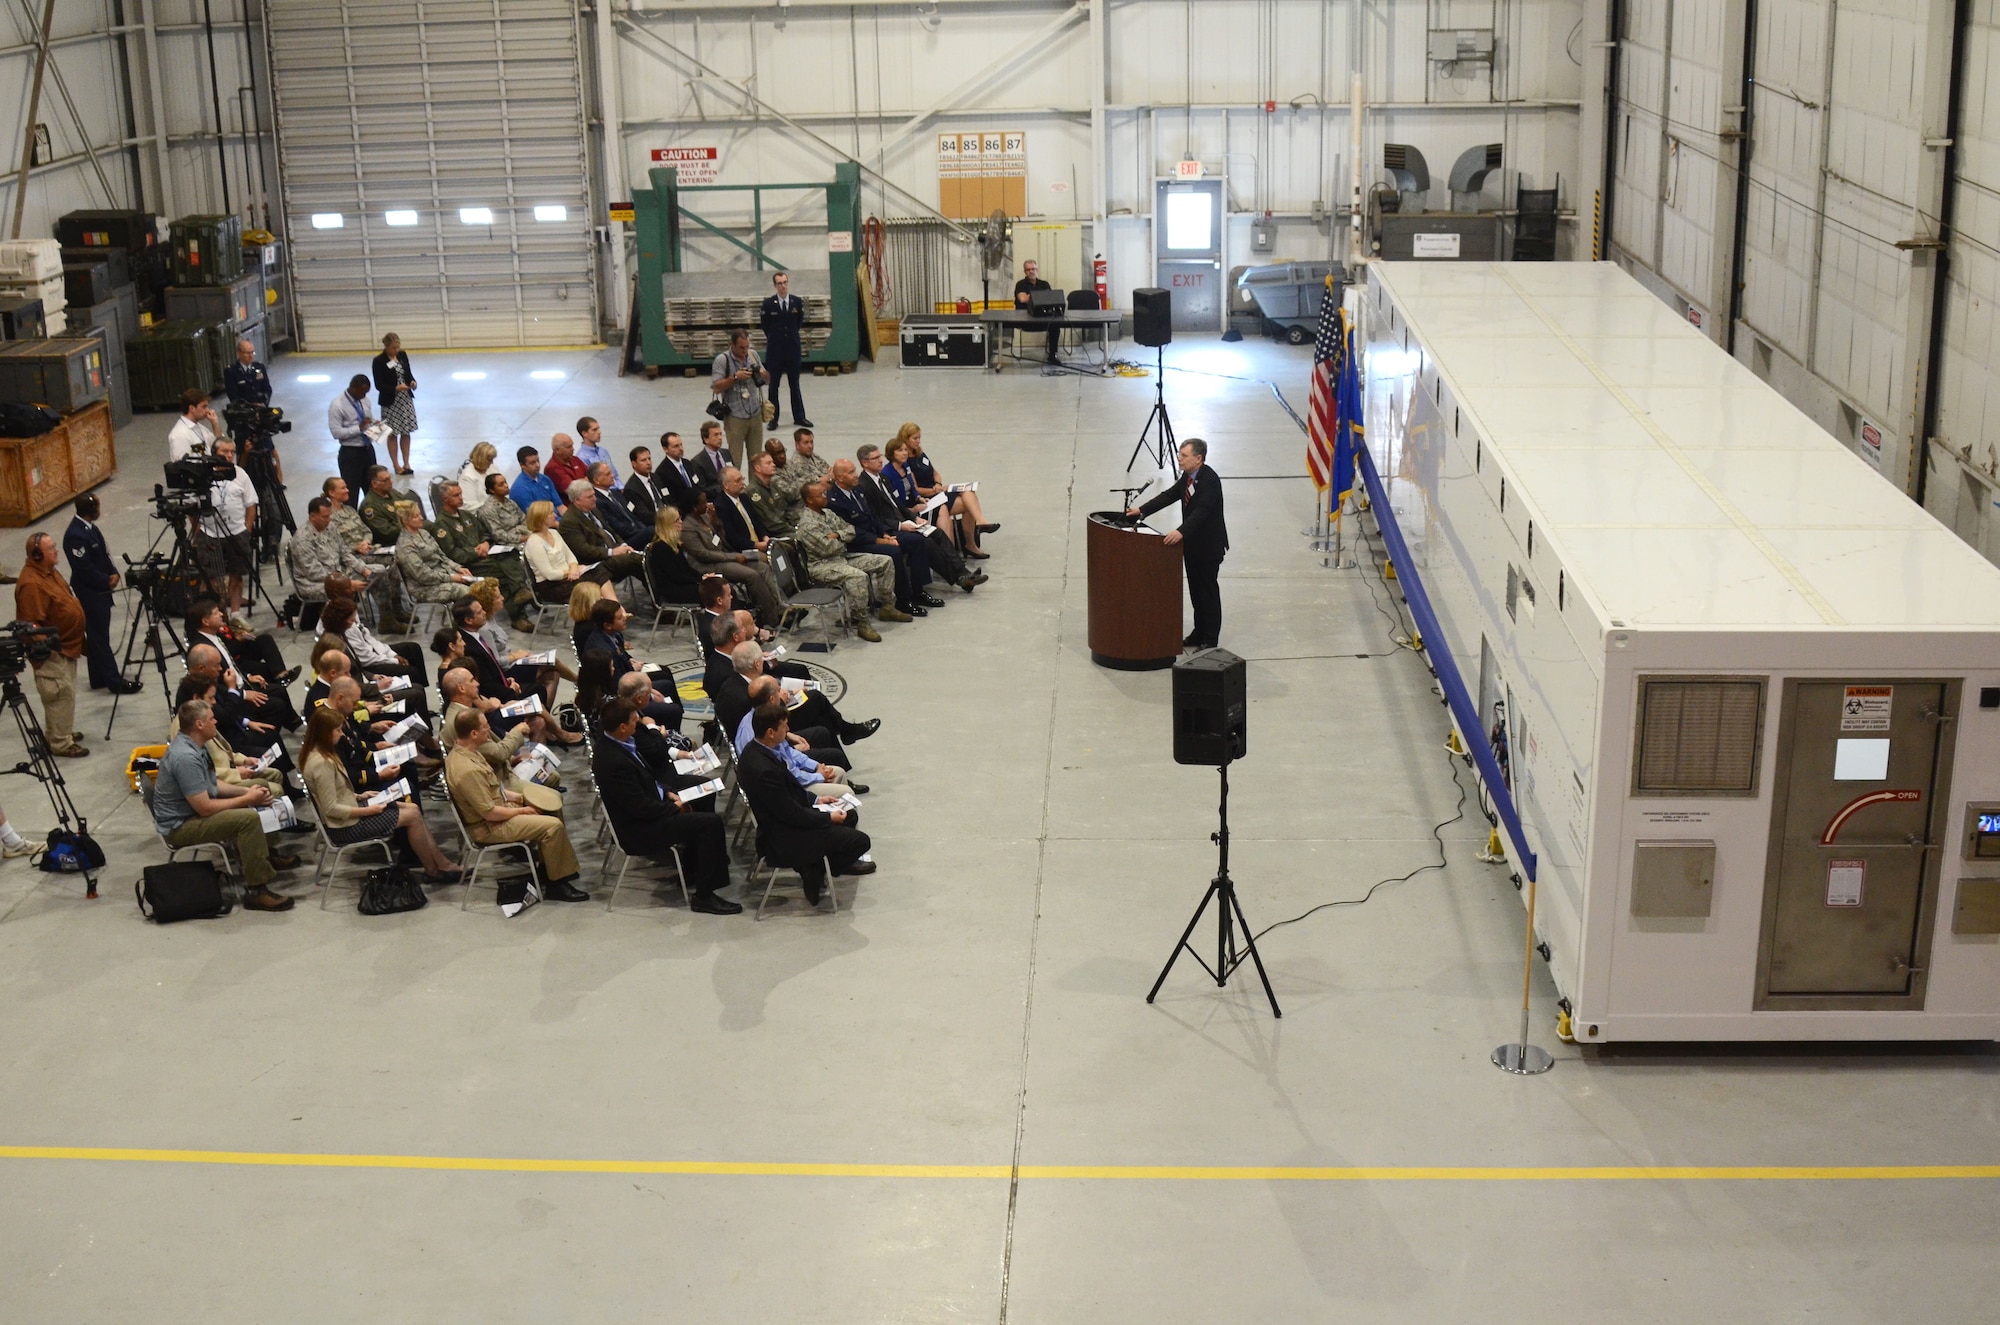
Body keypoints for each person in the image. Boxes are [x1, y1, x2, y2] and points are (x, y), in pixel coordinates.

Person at [150, 699, 301, 910]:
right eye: (211, 719)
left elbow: (214, 785)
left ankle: (265, 855)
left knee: (258, 785)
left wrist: (248, 791)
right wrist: (246, 799)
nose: (216, 721)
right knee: (247, 819)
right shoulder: (185, 757)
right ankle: (256, 890)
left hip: (193, 813)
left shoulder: (196, 746)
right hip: (181, 826)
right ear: (199, 725)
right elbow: (204, 807)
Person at [594, 697, 739, 913]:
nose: (639, 724)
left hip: (651, 808)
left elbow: (646, 778)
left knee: (701, 803)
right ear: (623, 727)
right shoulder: (612, 761)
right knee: (711, 823)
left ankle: (694, 869)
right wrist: (674, 807)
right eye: (635, 721)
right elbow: (638, 807)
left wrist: (668, 793)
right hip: (639, 829)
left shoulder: (619, 742)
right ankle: (704, 895)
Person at [446, 709, 589, 906]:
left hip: (498, 809)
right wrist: (522, 810)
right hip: (489, 827)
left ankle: (552, 868)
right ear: (474, 734)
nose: (489, 729)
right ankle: (557, 884)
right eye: (485, 726)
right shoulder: (467, 770)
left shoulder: (468, 752)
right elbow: (489, 812)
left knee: (550, 803)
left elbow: (493, 789)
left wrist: (522, 798)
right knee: (552, 826)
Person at [737, 701, 873, 906]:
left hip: (790, 818)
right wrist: (827, 817)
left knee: (850, 814)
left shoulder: (759, 750)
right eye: (784, 726)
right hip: (785, 837)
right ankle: (814, 869)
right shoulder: (763, 769)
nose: (789, 730)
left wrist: (817, 799)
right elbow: (792, 814)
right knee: (861, 841)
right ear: (771, 732)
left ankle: (815, 864)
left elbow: (788, 792)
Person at [301, 706, 459, 882]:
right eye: (337, 730)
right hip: (345, 826)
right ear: (324, 733)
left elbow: (335, 793)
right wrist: (368, 811)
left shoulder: (323, 753)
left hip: (352, 808)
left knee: (413, 808)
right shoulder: (321, 764)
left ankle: (440, 864)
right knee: (412, 816)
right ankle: (434, 870)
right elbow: (331, 808)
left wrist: (361, 796)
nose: (342, 734)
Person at [1130, 437, 1230, 650]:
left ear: (1198, 458)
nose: (1179, 459)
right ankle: (1199, 632)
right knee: (1195, 591)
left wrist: (1180, 532)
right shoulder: (1188, 477)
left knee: (1207, 591)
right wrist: (1143, 510)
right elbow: (1170, 495)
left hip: (1209, 547)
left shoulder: (1210, 481)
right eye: (1179, 455)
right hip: (1193, 546)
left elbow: (1201, 512)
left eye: (1184, 456)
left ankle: (1210, 638)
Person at [857, 442, 979, 592]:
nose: (880, 460)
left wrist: (914, 518)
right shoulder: (864, 486)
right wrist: (901, 526)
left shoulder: (882, 478)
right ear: (865, 463)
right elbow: (875, 517)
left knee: (938, 533)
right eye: (875, 458)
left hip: (905, 520)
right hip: (890, 529)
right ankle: (959, 579)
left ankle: (963, 572)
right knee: (926, 542)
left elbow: (898, 505)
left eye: (880, 456)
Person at [828, 456, 934, 616]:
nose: (856, 475)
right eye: (851, 472)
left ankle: (918, 591)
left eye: (855, 470)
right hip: (855, 544)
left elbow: (873, 516)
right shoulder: (834, 500)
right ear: (840, 477)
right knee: (894, 552)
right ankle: (902, 601)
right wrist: (880, 540)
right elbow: (851, 531)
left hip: (875, 535)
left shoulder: (857, 490)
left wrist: (885, 534)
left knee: (916, 541)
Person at [14, 533, 89, 756]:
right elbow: (29, 624)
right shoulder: (31, 584)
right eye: (51, 548)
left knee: (65, 695)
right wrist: (49, 648)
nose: (56, 551)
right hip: (52, 652)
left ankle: (60, 731)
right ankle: (60, 742)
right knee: (58, 694)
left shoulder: (49, 572)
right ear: (38, 555)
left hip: (66, 645)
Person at [793, 480, 892, 641]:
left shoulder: (827, 513)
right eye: (821, 495)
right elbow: (828, 548)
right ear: (809, 500)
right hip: (823, 565)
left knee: (885, 561)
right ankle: (862, 622)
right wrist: (842, 538)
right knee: (857, 577)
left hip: (841, 558)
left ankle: (888, 606)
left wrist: (838, 535)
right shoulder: (807, 524)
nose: (826, 496)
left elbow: (850, 530)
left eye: (825, 492)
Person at [732, 673, 859, 799]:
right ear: (771, 699)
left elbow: (787, 752)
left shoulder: (768, 720)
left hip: (794, 775)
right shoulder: (755, 733)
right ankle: (831, 815)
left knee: (838, 771)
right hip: (789, 788)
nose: (782, 692)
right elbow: (788, 773)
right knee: (847, 792)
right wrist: (819, 776)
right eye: (779, 690)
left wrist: (815, 766)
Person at [432, 481, 534, 630]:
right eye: (456, 495)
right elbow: (451, 554)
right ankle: (519, 613)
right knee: (501, 575)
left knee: (510, 554)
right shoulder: (441, 524)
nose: (461, 498)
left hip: (486, 556)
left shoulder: (466, 515)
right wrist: (474, 552)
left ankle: (521, 592)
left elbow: (485, 533)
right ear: (445, 499)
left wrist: (486, 543)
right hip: (469, 565)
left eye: (461, 494)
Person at [62, 494, 138, 693]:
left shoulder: (91, 529)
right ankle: (114, 681)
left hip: (101, 591)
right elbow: (83, 568)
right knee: (99, 638)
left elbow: (103, 554)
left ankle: (98, 677)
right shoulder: (75, 535)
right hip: (90, 593)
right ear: (92, 509)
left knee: (98, 635)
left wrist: (113, 572)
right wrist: (105, 580)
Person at [680, 490, 785, 627]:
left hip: (725, 555)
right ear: (694, 507)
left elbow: (720, 538)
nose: (707, 504)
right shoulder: (688, 528)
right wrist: (734, 557)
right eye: (704, 502)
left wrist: (716, 522)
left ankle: (783, 607)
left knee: (763, 567)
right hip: (710, 565)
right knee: (751, 575)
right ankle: (771, 618)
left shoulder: (705, 517)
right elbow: (703, 555)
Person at [580, 597, 683, 726]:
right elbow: (617, 687)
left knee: (665, 679)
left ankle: (672, 721)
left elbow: (623, 655)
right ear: (607, 625)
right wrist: (649, 694)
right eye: (619, 617)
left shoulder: (615, 634)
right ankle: (665, 736)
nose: (624, 617)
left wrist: (631, 661)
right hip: (621, 697)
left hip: (628, 678)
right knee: (673, 710)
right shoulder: (603, 650)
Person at [899, 422, 997, 555]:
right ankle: (955, 552)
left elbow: (935, 473)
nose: (918, 441)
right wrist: (934, 491)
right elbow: (916, 489)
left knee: (968, 492)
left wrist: (938, 485)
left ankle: (973, 537)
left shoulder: (920, 454)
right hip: (926, 497)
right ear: (905, 439)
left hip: (936, 491)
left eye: (919, 438)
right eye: (915, 438)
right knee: (964, 504)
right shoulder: (905, 462)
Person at [192, 435, 258, 615]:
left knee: (236, 575)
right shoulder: (202, 476)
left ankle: (235, 614)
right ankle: (211, 614)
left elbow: (251, 504)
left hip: (237, 533)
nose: (229, 455)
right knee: (210, 578)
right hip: (210, 533)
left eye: (232, 452)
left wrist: (247, 529)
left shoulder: (240, 474)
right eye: (225, 452)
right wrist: (198, 532)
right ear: (214, 453)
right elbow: (192, 508)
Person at [289, 496, 373, 634]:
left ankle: (387, 618)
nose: (329, 520)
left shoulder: (330, 527)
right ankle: (347, 629)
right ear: (312, 516)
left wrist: (363, 569)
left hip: (337, 574)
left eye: (329, 516)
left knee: (377, 572)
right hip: (312, 583)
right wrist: (345, 583)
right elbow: (314, 573)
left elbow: (344, 552)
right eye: (325, 517)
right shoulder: (302, 540)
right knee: (344, 590)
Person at [558, 480, 645, 584]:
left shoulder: (594, 509)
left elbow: (611, 531)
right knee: (635, 560)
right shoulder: (569, 521)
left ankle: (659, 593)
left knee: (644, 559)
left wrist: (623, 545)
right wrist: (612, 552)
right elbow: (583, 550)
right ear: (577, 500)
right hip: (595, 563)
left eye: (594, 495)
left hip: (613, 552)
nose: (594, 499)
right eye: (589, 497)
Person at [394, 502, 477, 604]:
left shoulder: (423, 533)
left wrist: (458, 568)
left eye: (420, 514)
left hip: (443, 573)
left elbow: (442, 556)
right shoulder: (405, 546)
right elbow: (423, 576)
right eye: (416, 516)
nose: (421, 518)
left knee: (478, 585)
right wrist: (451, 578)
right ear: (405, 520)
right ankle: (467, 618)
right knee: (466, 592)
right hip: (425, 587)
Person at [759, 270, 811, 430]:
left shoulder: (796, 302)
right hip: (775, 351)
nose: (783, 286)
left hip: (793, 350)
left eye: (785, 282)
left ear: (788, 283)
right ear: (775, 285)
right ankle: (773, 419)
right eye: (779, 283)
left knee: (794, 384)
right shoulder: (768, 304)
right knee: (773, 386)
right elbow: (765, 326)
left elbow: (799, 322)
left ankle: (799, 417)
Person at [710, 329, 767, 468]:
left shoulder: (753, 355)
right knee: (735, 459)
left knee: (756, 460)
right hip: (735, 416)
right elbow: (716, 387)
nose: (745, 350)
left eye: (747, 346)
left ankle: (755, 489)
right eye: (741, 347)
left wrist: (760, 373)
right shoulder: (722, 360)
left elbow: (767, 379)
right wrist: (735, 378)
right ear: (732, 345)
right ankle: (735, 488)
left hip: (755, 414)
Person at [523, 500, 596, 602]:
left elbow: (570, 556)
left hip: (569, 576)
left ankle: (614, 610)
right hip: (551, 585)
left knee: (599, 572)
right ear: (541, 518)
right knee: (590, 583)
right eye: (551, 513)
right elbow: (550, 574)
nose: (555, 515)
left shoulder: (554, 533)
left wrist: (574, 568)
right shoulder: (534, 542)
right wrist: (571, 571)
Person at [372, 332, 418, 476]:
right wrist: (394, 389)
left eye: (398, 347)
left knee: (406, 432)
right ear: (386, 347)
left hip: (405, 400)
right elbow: (379, 385)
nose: (396, 350)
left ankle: (406, 462)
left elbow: (408, 374)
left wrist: (413, 382)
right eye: (393, 348)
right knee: (392, 434)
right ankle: (396, 465)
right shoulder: (379, 361)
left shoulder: (403, 356)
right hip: (390, 402)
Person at [328, 373, 379, 496]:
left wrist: (374, 425)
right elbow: (336, 432)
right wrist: (358, 428)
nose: (364, 396)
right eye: (362, 392)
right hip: (351, 454)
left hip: (368, 451)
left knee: (373, 491)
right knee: (350, 493)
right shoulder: (337, 405)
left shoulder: (365, 400)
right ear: (354, 388)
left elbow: (368, 420)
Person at [645, 505, 703, 609]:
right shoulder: (661, 547)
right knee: (715, 592)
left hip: (682, 584)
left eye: (680, 518)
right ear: (668, 524)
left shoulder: (675, 544)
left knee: (721, 588)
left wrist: (703, 577)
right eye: (677, 520)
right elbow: (677, 576)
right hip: (672, 591)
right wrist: (700, 580)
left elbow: (686, 569)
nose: (681, 522)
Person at [360, 464, 421, 548]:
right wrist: (410, 523)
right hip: (394, 543)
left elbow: (410, 507)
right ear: (374, 483)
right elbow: (387, 532)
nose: (391, 482)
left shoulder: (392, 492)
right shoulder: (370, 506)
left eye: (390, 478)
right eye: (386, 480)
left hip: (410, 531)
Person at [715, 466, 772, 556]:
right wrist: (755, 545)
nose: (742, 483)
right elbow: (732, 537)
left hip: (760, 543)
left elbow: (756, 521)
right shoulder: (721, 505)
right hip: (743, 551)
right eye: (738, 481)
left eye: (743, 479)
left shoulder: (743, 497)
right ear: (726, 485)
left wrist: (764, 537)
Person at [587, 462, 646, 548]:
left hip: (638, 531)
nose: (612, 476)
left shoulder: (616, 493)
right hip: (625, 540)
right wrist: (642, 532)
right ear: (596, 480)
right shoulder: (597, 501)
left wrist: (642, 529)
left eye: (611, 472)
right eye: (608, 474)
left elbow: (632, 514)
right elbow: (615, 526)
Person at [1012, 258, 1059, 363]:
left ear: (1037, 270)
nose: (1031, 271)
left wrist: (1032, 296)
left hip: (1042, 317)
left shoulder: (1044, 284)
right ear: (1025, 272)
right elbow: (1022, 299)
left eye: (1033, 269)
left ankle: (1053, 355)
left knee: (1055, 326)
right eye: (1028, 269)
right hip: (1025, 319)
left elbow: (1050, 299)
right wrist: (1041, 296)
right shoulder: (1021, 284)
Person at [745, 450, 800, 536]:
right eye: (768, 463)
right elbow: (770, 522)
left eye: (773, 462)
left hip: (785, 527)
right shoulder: (754, 491)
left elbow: (785, 508)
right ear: (758, 468)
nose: (773, 465)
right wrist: (794, 530)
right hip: (773, 533)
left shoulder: (773, 484)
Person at [773, 427, 829, 504]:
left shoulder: (813, 455)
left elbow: (829, 469)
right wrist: (828, 478)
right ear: (797, 445)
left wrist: (829, 477)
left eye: (811, 442)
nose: (810, 446)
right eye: (806, 442)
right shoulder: (797, 462)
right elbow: (816, 483)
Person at [509, 445, 564, 516]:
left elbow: (559, 506)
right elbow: (536, 518)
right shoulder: (519, 489)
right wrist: (561, 525)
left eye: (538, 461)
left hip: (556, 520)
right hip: (541, 523)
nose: (537, 465)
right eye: (532, 463)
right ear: (522, 465)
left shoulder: (545, 479)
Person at [167, 388, 220, 460]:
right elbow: (182, 465)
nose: (208, 410)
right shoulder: (179, 434)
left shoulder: (200, 428)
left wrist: (215, 424)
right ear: (192, 408)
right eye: (204, 407)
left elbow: (219, 446)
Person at [478, 472, 529, 546]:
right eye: (501, 485)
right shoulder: (488, 509)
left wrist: (520, 530)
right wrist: (522, 538)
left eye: (505, 482)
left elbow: (524, 520)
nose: (506, 486)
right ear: (492, 490)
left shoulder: (510, 502)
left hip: (523, 535)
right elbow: (499, 536)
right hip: (507, 545)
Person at [623, 443, 666, 528]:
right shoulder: (631, 488)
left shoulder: (656, 477)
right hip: (655, 524)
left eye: (649, 459)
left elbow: (667, 497)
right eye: (643, 460)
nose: (648, 463)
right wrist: (666, 517)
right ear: (634, 464)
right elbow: (644, 515)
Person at [653, 431, 699, 509]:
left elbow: (697, 483)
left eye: (681, 445)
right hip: (683, 511)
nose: (681, 448)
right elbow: (669, 499)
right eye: (676, 446)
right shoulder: (662, 472)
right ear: (665, 449)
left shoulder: (687, 463)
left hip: (698, 506)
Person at [223, 338, 272, 408]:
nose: (251, 356)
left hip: (261, 407)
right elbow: (233, 395)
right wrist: (250, 407)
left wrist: (264, 403)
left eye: (252, 352)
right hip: (243, 411)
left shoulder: (260, 367)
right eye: (247, 353)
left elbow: (267, 389)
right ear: (239, 353)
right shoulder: (231, 371)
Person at [688, 420, 731, 497]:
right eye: (716, 435)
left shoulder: (726, 453)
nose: (720, 438)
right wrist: (725, 486)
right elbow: (702, 489)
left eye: (720, 434)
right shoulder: (697, 462)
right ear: (706, 439)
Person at [574, 417, 618, 486]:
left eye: (598, 428)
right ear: (584, 433)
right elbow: (591, 483)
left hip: (617, 489)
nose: (599, 432)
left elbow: (615, 474)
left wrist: (621, 488)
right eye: (594, 430)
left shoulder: (603, 451)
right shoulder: (581, 458)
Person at [457, 442, 500, 512]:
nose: (492, 462)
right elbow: (470, 507)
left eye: (493, 459)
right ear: (480, 459)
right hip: (480, 514)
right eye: (489, 460)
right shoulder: (467, 477)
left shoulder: (492, 467)